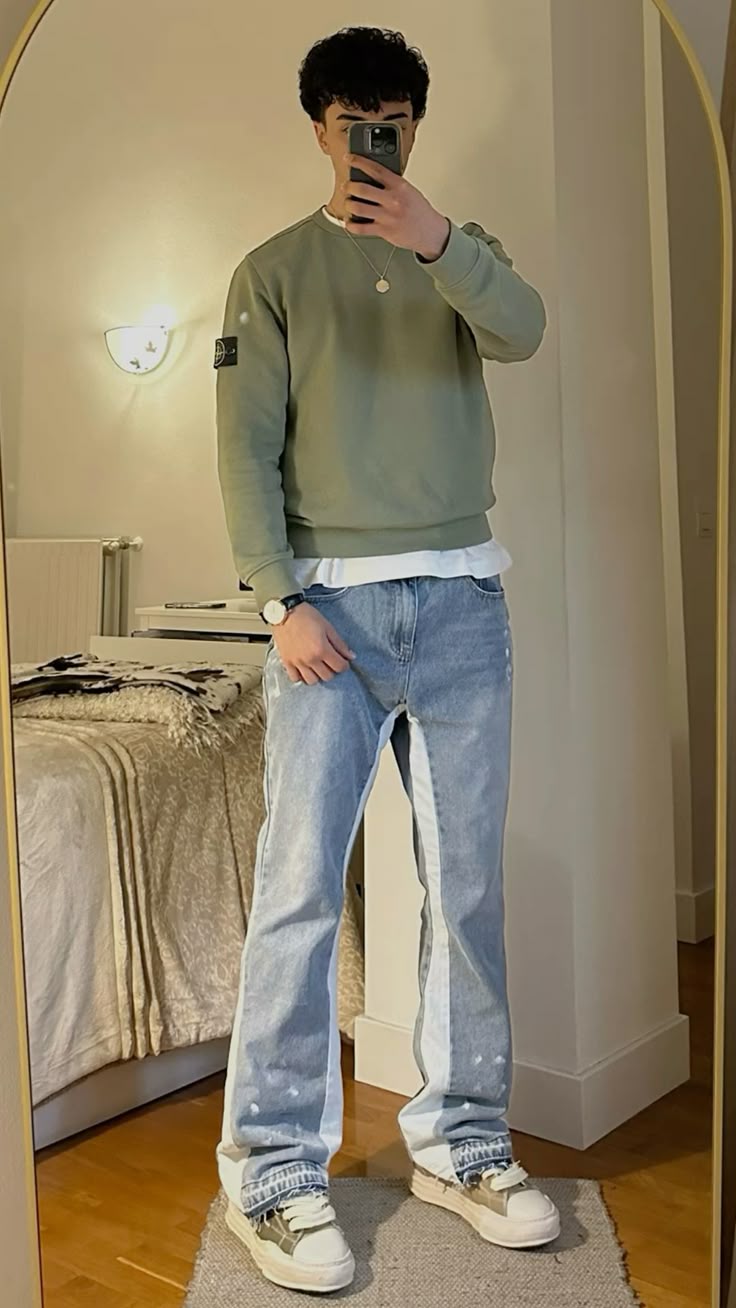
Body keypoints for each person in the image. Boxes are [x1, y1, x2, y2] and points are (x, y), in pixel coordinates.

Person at [214, 24, 560, 1295]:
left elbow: (523, 330)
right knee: (300, 892)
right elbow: (244, 445)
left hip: (465, 605)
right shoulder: (270, 272)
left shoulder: (460, 252)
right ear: (321, 128)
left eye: (395, 120)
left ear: (414, 126)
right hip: (329, 623)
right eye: (355, 119)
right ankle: (270, 1172)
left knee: (465, 893)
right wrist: (277, 601)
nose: (376, 138)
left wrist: (433, 238)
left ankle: (462, 1147)